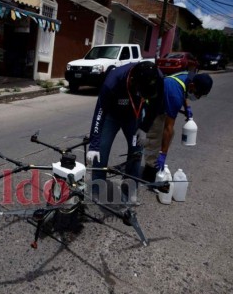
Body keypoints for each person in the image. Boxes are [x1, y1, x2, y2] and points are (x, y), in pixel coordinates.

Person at [86, 61, 162, 204]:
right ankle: (97, 188)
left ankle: (130, 190)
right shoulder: (112, 81)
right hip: (111, 115)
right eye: (141, 92)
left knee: (136, 152)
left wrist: (144, 128)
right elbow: (99, 113)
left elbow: (156, 105)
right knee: (100, 151)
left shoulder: (157, 78)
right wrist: (94, 144)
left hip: (134, 115)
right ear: (133, 80)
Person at [139, 71, 213, 182]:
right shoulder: (175, 95)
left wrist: (187, 106)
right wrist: (163, 154)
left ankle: (154, 161)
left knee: (169, 135)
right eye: (197, 94)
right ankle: (149, 169)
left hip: (163, 102)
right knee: (156, 137)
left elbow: (185, 90)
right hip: (151, 108)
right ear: (192, 86)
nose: (197, 97)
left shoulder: (190, 76)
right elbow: (168, 127)